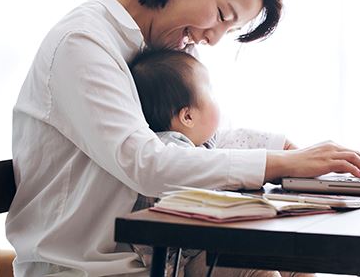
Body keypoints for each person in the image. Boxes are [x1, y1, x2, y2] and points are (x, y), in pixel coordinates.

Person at [6, 0, 360, 277]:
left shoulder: (169, 46)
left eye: (228, 29)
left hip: (166, 259)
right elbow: (147, 165)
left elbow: (206, 140)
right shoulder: (82, 44)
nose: (213, 38)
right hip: (89, 268)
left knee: (293, 260)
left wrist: (294, 153)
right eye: (220, 14)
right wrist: (280, 163)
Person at [128, 48, 314, 277]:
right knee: (257, 268)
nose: (217, 101)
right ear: (188, 116)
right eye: (211, 93)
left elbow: (232, 140)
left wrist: (282, 146)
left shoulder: (200, 144)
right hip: (179, 263)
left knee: (298, 263)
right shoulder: (170, 151)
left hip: (202, 249)